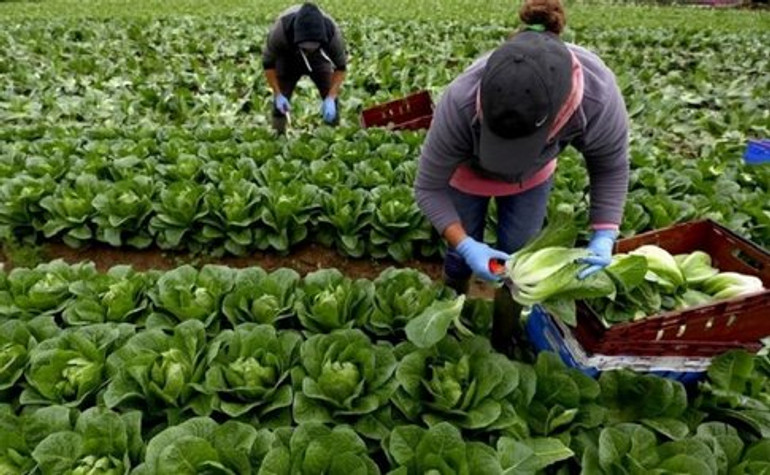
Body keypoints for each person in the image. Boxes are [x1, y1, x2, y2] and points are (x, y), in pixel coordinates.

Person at [414, 0, 629, 353]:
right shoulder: (461, 99)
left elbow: (610, 165)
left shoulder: (597, 97)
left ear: (561, 113)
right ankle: (451, 308)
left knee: (518, 257)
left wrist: (604, 234)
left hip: (533, 180)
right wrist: (466, 246)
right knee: (458, 252)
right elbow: (428, 187)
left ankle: (505, 333)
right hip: (467, 178)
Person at [262, 3, 348, 134]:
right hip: (288, 58)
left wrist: (331, 97)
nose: (308, 50)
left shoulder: (332, 32)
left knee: (331, 96)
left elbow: (341, 67)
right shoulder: (280, 30)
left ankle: (332, 135)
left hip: (319, 58)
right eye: (306, 47)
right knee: (280, 102)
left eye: (312, 46)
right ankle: (277, 137)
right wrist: (278, 94)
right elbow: (268, 64)